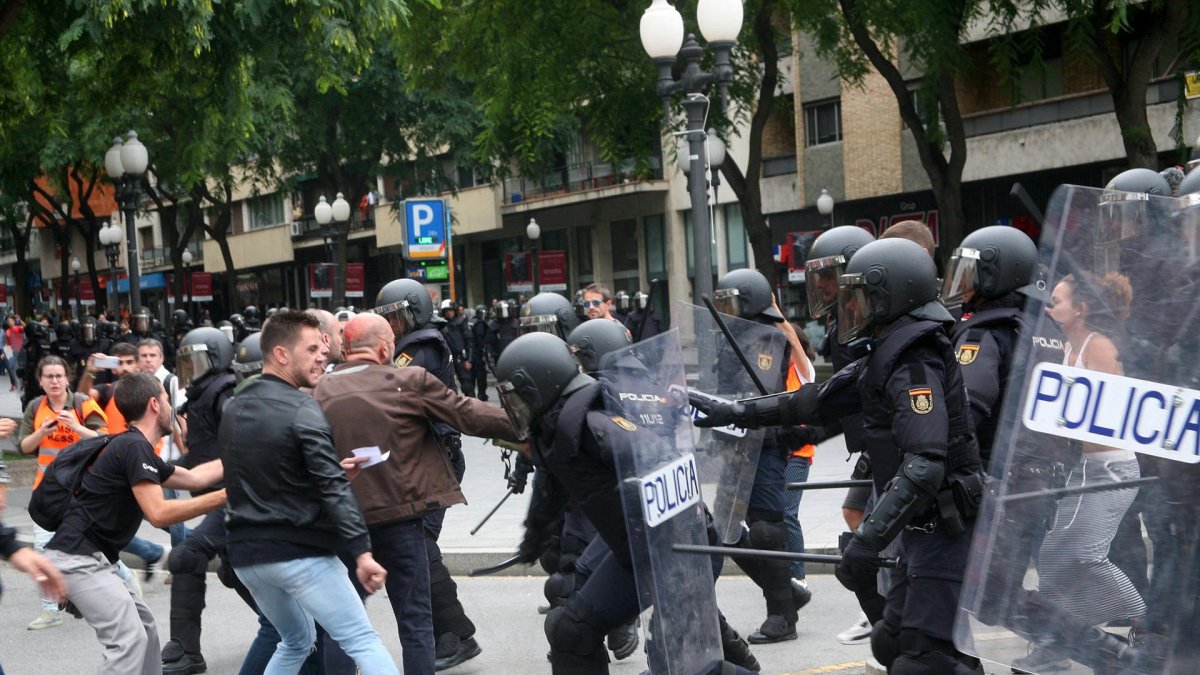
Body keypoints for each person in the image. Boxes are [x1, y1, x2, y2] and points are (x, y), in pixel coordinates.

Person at [694, 238, 988, 674]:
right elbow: (811, 401)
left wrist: (869, 537)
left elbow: (925, 464)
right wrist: (734, 411)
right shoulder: (887, 351)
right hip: (925, 529)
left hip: (947, 531)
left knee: (921, 660)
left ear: (891, 296)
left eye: (860, 297)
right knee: (895, 642)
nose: (851, 309)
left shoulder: (915, 360)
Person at [315, 313, 521, 674]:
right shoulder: (407, 380)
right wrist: (524, 421)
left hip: (344, 522)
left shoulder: (319, 390)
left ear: (345, 348)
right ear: (385, 347)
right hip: (402, 518)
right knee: (415, 622)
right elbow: (466, 413)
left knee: (343, 626)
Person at [220, 311, 397, 674]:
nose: (324, 355)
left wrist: (332, 472)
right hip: (298, 552)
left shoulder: (234, 407)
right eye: (313, 348)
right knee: (362, 640)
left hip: (248, 556)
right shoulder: (303, 407)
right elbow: (332, 489)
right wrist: (362, 553)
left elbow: (268, 476)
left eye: (324, 347)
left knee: (296, 640)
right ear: (282, 355)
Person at [44, 372, 226, 674]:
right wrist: (224, 497)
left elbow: (196, 477)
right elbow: (158, 513)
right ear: (155, 404)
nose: (172, 408)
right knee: (128, 642)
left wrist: (242, 453)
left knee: (146, 632)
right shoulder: (132, 448)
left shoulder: (137, 449)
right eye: (168, 400)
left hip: (94, 560)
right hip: (77, 559)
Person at [373, 278, 480, 669]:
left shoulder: (420, 348)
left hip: (437, 459)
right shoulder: (407, 346)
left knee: (418, 546)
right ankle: (450, 634)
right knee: (416, 548)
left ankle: (455, 635)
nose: (391, 327)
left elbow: (390, 388)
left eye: (396, 318)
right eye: (385, 320)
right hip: (424, 458)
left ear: (415, 313)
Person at [711, 268, 814, 644]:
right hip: (735, 446)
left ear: (751, 300)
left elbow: (761, 392)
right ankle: (788, 590)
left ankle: (782, 616)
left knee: (768, 530)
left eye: (730, 302)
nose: (725, 310)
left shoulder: (769, 338)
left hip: (766, 447)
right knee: (725, 532)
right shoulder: (729, 339)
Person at [159, 327, 240, 675]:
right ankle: (297, 635)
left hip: (236, 498)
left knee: (186, 555)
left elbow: (241, 444)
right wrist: (155, 471)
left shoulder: (226, 393)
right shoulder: (202, 395)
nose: (191, 369)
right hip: (220, 497)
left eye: (197, 360)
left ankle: (187, 651)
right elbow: (201, 455)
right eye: (186, 361)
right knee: (235, 571)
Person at [17, 354, 107, 630]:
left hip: (82, 490)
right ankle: (50, 609)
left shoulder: (82, 402)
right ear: (41, 382)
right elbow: (24, 447)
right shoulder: (35, 406)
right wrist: (42, 431)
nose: (54, 381)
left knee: (93, 548)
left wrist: (76, 427)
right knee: (43, 550)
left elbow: (105, 438)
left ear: (67, 378)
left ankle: (124, 579)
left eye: (59, 376)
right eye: (49, 377)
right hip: (46, 492)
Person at [438, 300, 474, 395]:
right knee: (448, 386)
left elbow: (469, 340)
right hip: (448, 357)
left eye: (450, 310)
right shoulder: (441, 325)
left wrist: (469, 360)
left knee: (467, 386)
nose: (448, 312)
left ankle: (472, 407)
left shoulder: (461, 322)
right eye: (446, 310)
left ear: (455, 310)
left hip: (460, 357)